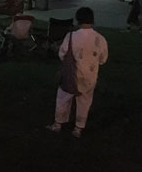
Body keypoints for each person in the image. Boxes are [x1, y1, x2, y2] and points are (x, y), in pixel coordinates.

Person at [46, 7, 108, 138]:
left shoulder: (71, 36)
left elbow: (62, 54)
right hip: (90, 77)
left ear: (77, 19)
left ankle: (58, 124)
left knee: (63, 98)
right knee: (85, 101)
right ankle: (78, 128)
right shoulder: (100, 39)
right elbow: (103, 59)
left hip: (71, 74)